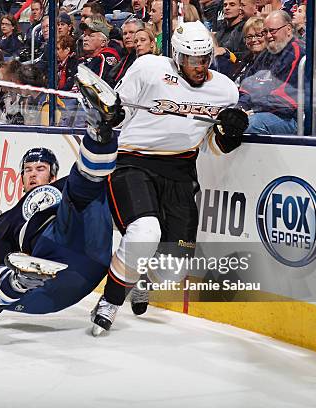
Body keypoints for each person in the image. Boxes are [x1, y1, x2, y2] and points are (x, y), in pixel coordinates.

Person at [88, 21, 248, 336]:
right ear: (177, 55)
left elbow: (214, 146)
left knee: (173, 271)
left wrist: (230, 132)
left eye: (204, 60)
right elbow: (117, 110)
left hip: (181, 172)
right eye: (191, 59)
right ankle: (110, 300)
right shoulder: (148, 68)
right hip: (133, 162)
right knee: (145, 232)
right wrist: (111, 114)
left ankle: (140, 277)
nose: (199, 66)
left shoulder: (225, 90)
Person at [0, 131, 119, 328]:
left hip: (81, 246)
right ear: (21, 178)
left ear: (53, 175)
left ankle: (99, 132)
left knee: (83, 184)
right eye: (27, 169)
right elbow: (0, 267)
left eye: (40, 168)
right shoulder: (4, 223)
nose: (32, 173)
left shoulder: (66, 187)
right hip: (55, 287)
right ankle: (20, 282)